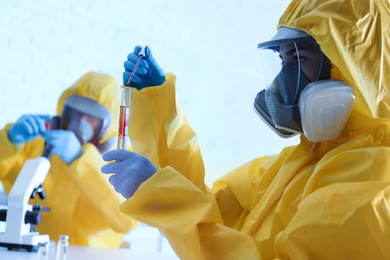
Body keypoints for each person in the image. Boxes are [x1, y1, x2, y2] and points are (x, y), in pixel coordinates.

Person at [102, 0, 390, 259]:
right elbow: (212, 214)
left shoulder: (374, 184)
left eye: (299, 58)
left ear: (351, 64)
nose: (283, 79)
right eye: (282, 59)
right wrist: (158, 107)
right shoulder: (294, 166)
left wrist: (160, 196)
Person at [0, 71, 138, 248]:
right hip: (33, 251)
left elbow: (127, 220)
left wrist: (81, 160)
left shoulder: (122, 160)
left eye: (91, 117)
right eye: (76, 112)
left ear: (108, 125)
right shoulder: (36, 145)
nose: (81, 121)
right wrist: (9, 140)